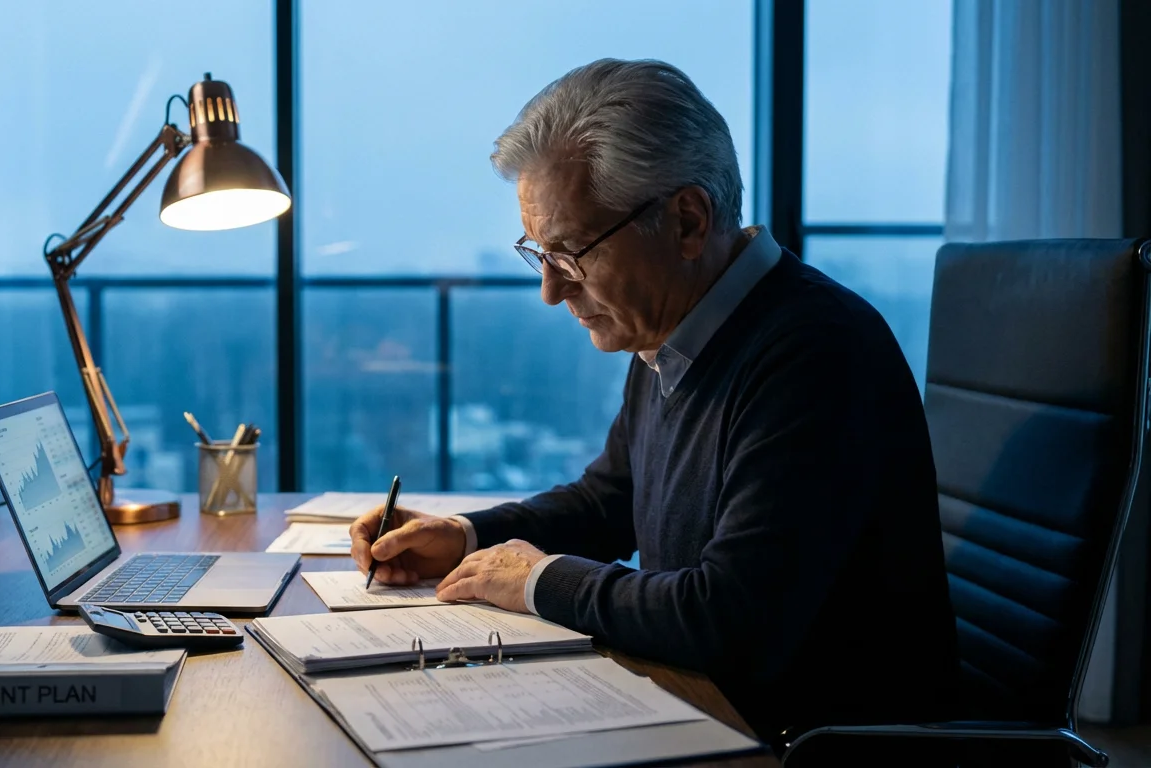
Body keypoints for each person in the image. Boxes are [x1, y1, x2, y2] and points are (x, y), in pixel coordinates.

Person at [349, 58, 958, 742]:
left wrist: (537, 580)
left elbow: (730, 621)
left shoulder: (815, 352)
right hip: (708, 710)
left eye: (572, 253)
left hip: (809, 745)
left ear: (688, 221)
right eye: (539, 254)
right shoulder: (672, 324)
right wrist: (466, 537)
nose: (551, 290)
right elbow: (609, 501)